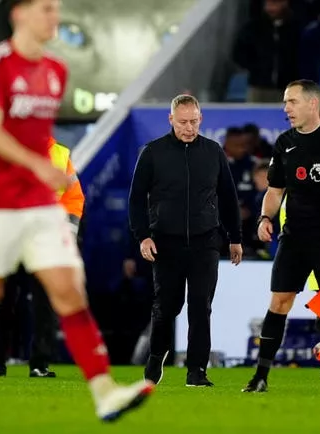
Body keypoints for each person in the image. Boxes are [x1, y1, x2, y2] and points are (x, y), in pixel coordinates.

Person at [0, 0, 153, 424]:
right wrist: (37, 164)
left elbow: (40, 136)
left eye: (57, 11)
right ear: (19, 14)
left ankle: (105, 392)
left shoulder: (56, 71)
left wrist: (48, 172)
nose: (55, 18)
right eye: (46, 10)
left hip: (41, 206)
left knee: (69, 290)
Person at [241, 79, 320, 394]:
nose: (286, 109)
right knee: (279, 302)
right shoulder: (284, 142)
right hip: (293, 238)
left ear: (313, 104)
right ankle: (260, 377)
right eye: (285, 102)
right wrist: (265, 217)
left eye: (292, 102)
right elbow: (274, 189)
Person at [128, 94, 243, 387]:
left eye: (193, 121)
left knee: (200, 306)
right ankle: (156, 356)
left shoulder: (214, 151)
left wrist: (235, 238)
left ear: (201, 119)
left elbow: (229, 198)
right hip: (166, 243)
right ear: (170, 120)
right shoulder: (152, 153)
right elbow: (136, 200)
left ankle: (197, 371)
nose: (189, 127)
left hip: (206, 241)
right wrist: (143, 237)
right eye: (182, 122)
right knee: (167, 307)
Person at [0, 137, 85, 378]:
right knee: (5, 301)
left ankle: (39, 363)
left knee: (44, 304)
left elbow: (73, 199)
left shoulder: (60, 154)